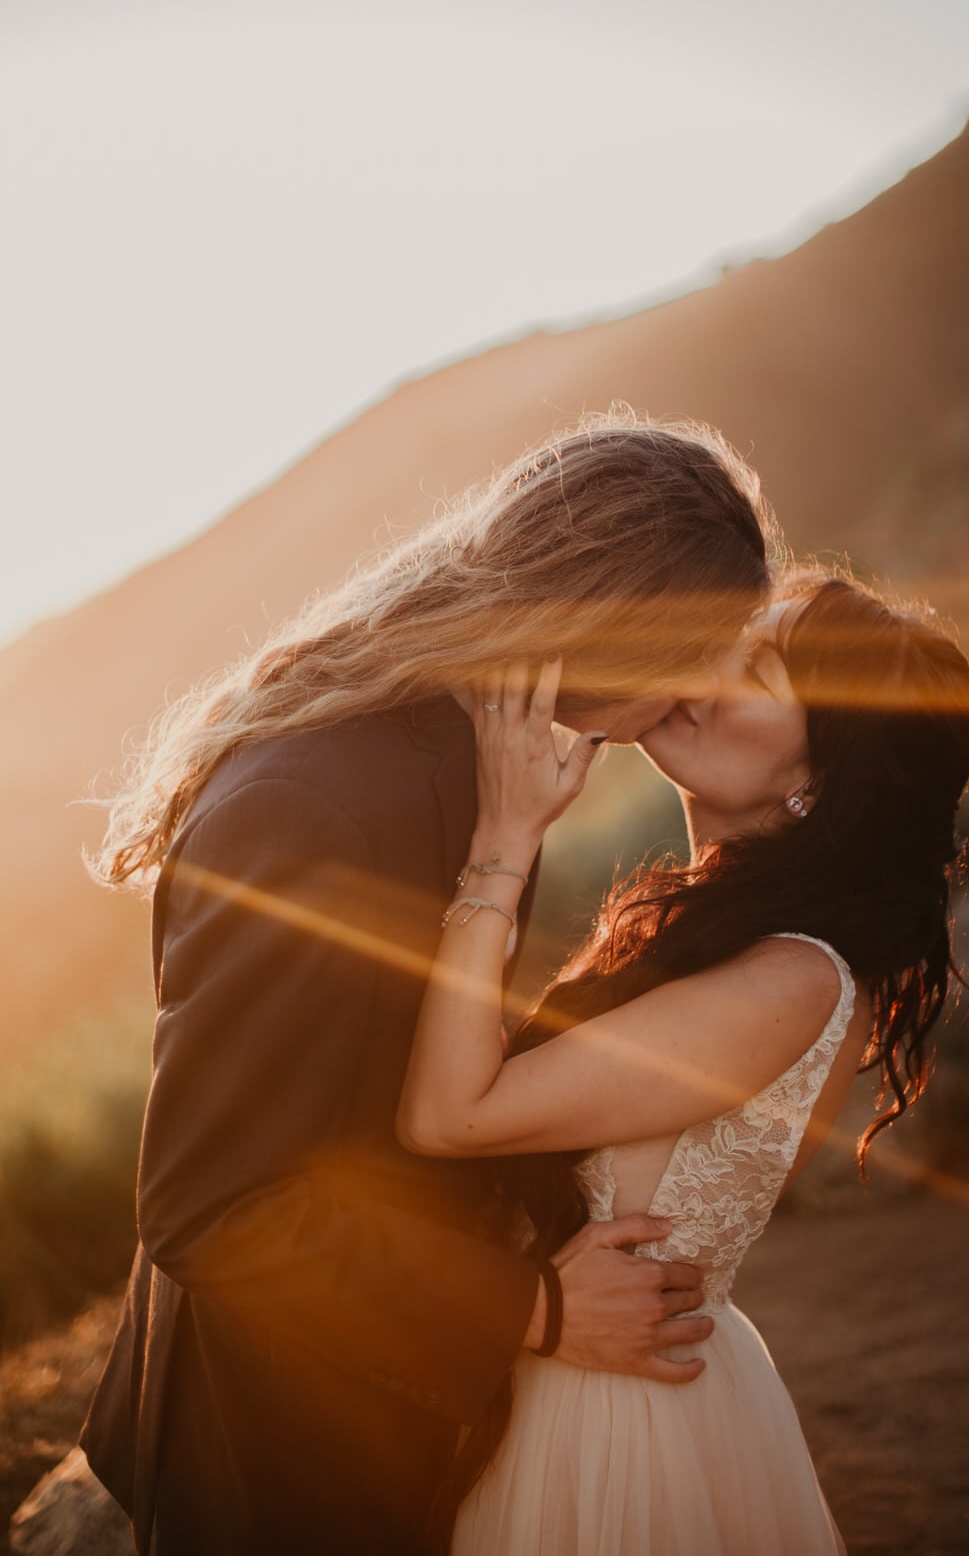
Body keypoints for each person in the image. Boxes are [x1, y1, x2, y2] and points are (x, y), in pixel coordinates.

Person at [80, 415, 772, 1555]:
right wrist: (533, 1309)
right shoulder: (316, 807)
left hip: (386, 1403)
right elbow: (210, 1202)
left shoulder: (489, 756)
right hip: (283, 1451)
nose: (703, 690)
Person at [397, 572, 969, 1554]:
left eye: (759, 666)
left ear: (823, 771)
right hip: (580, 1377)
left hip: (611, 1423)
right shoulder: (716, 936)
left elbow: (449, 1115)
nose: (707, 669)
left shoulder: (792, 978)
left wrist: (503, 837)